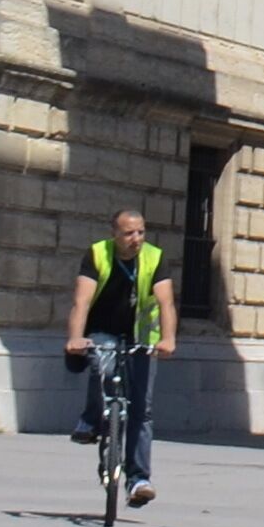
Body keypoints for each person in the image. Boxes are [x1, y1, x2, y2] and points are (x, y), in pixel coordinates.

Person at [65, 207, 180, 504]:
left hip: (141, 335)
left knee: (142, 408)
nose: (136, 238)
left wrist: (168, 339)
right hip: (103, 328)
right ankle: (91, 421)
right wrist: (75, 338)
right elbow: (81, 301)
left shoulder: (154, 257)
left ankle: (139, 479)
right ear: (113, 233)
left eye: (140, 232)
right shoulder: (97, 254)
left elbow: (166, 303)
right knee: (101, 365)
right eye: (128, 233)